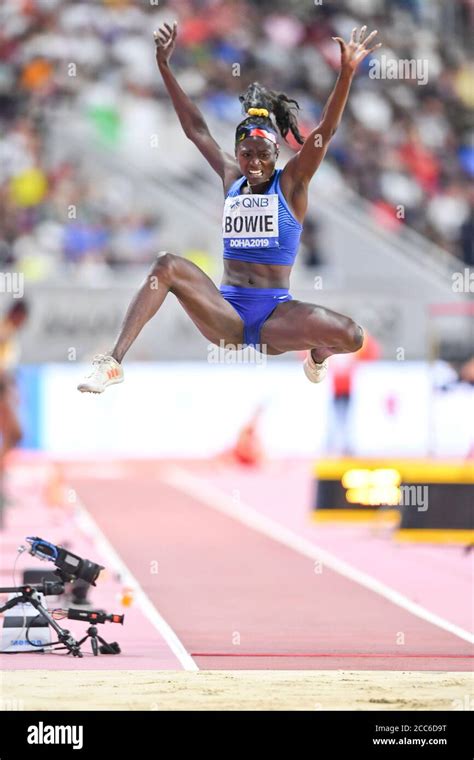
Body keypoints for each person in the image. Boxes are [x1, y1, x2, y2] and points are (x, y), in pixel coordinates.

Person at [78, 22, 381, 394]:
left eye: (263, 155)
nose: (254, 163)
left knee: (353, 336)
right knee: (167, 265)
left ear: (276, 155)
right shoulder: (230, 178)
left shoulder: (292, 183)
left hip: (275, 318)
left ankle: (318, 354)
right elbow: (196, 130)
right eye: (246, 154)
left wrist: (347, 72)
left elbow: (324, 132)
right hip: (225, 315)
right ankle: (112, 363)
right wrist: (165, 67)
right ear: (238, 154)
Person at [0, 300, 29, 475]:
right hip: (2, 389)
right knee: (15, 433)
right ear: (17, 315)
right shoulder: (5, 331)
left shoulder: (8, 332)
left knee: (14, 434)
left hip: (4, 388)